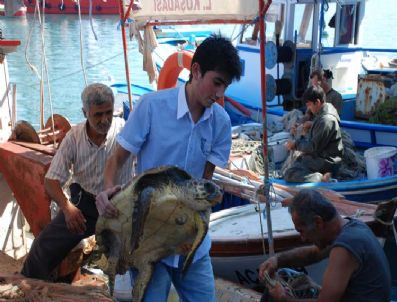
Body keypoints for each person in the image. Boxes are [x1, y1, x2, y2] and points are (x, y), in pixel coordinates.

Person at [95, 34, 242, 301]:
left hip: (190, 241)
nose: (220, 93)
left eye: (226, 86)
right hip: (148, 235)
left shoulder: (220, 122)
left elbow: (204, 182)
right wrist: (107, 191)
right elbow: (117, 159)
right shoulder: (152, 106)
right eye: (217, 82)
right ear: (196, 70)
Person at [21, 83, 133, 280]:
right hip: (85, 207)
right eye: (97, 115)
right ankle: (27, 288)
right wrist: (67, 208)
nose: (105, 119)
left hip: (120, 206)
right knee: (41, 247)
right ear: (84, 112)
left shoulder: (125, 131)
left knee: (132, 256)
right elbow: (51, 180)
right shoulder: (74, 137)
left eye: (108, 112)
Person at [258, 189, 391, 302]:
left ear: (318, 222)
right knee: (289, 277)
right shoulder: (354, 227)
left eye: (302, 231)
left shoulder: (344, 249)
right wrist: (277, 260)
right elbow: (313, 253)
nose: (303, 238)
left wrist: (283, 298)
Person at [284, 85, 343, 183]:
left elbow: (313, 147)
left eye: (309, 105)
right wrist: (307, 130)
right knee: (298, 162)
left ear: (318, 102)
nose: (308, 108)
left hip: (328, 162)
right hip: (325, 157)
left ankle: (321, 178)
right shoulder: (323, 113)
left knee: (290, 174)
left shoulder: (326, 120)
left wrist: (295, 145)